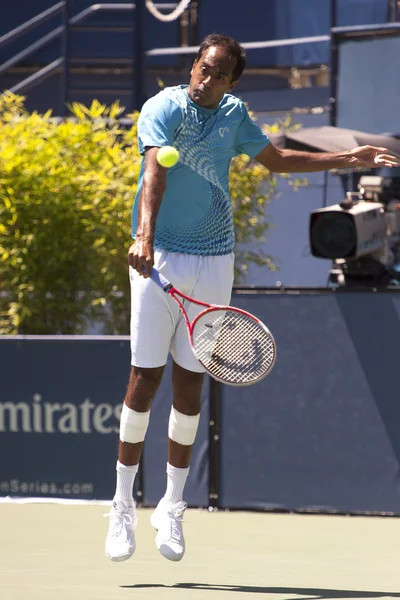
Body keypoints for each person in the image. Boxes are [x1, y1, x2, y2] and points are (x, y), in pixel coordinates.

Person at [105, 33, 398, 563]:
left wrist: (349, 156)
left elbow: (279, 160)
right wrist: (144, 237)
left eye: (217, 73)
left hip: (214, 258)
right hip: (161, 257)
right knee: (145, 380)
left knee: (190, 385)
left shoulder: (234, 114)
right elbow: (154, 173)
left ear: (232, 82)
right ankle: (122, 503)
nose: (205, 77)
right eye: (201, 67)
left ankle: (172, 507)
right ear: (193, 66)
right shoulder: (164, 107)